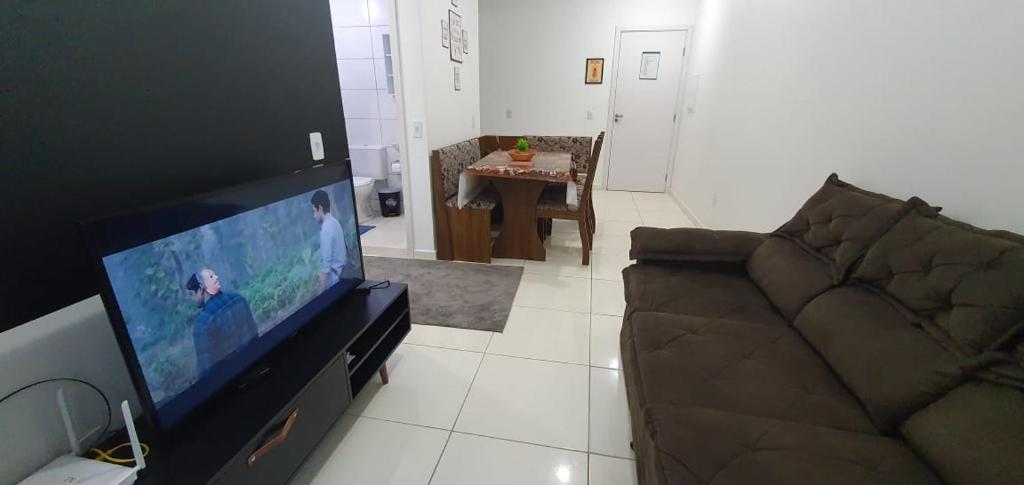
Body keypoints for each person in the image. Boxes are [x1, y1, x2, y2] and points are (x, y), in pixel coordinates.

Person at [186, 268, 259, 376]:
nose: (192, 298)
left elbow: (206, 371)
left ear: (201, 289)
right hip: (257, 364)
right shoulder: (239, 299)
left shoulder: (202, 324)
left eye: (191, 294)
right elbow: (254, 335)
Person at [311, 189, 347, 293]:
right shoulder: (335, 222)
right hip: (341, 275)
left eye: (314, 211)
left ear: (320, 208)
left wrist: (321, 293)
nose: (314, 216)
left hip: (334, 281)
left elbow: (326, 267)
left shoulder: (326, 229)